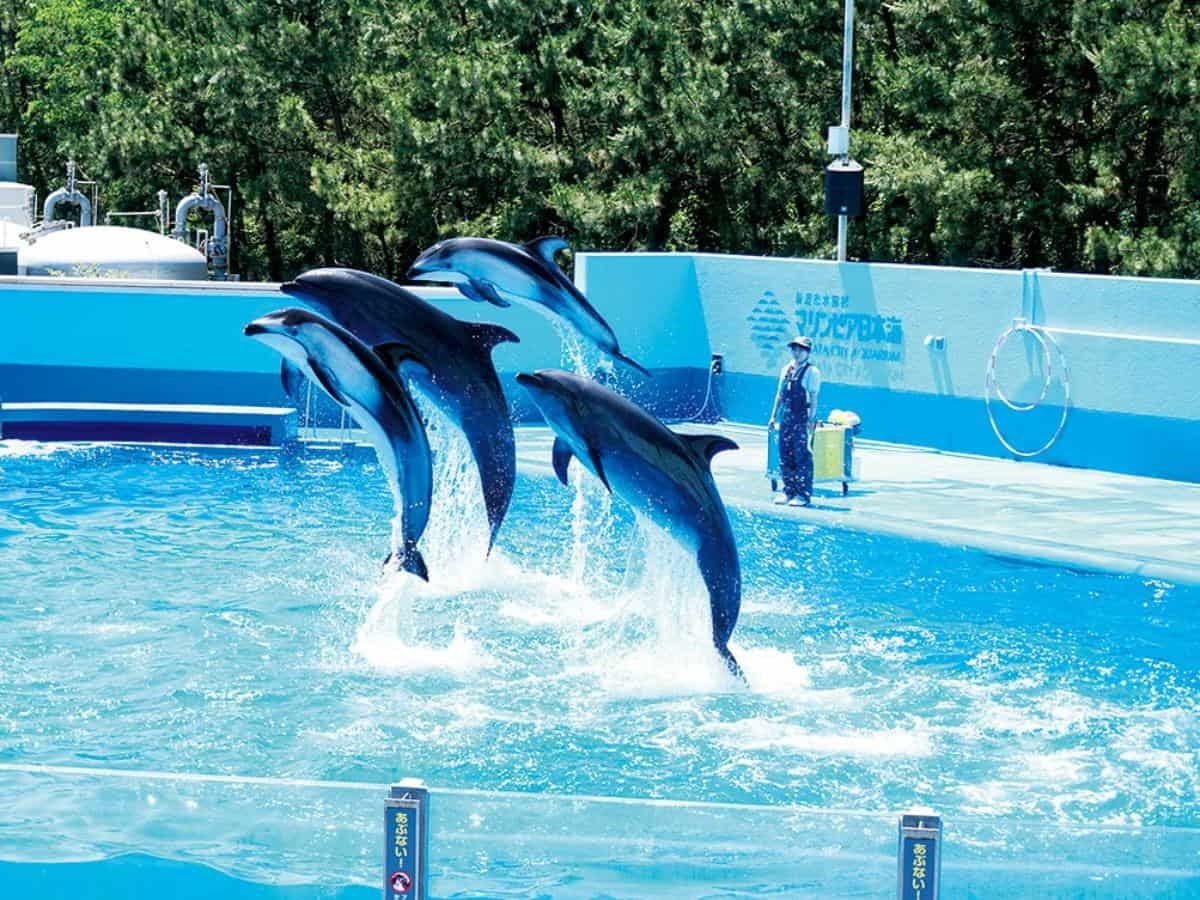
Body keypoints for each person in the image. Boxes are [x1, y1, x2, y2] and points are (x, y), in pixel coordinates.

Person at [768, 336, 821, 507]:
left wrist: (811, 420)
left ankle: (803, 494)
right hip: (786, 416)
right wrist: (773, 416)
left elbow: (813, 397)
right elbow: (780, 395)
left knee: (802, 456)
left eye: (801, 349)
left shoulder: (812, 372)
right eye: (794, 349)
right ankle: (788, 491)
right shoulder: (786, 369)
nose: (797, 352)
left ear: (808, 352)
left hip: (802, 418)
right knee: (785, 454)